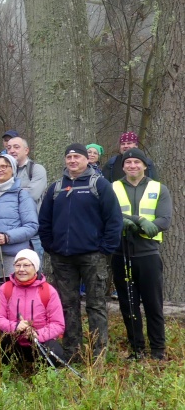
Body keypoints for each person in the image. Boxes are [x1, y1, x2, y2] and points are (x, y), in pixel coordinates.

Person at [39, 143, 123, 362]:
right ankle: (72, 352)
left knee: (96, 305)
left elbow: (114, 220)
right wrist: (50, 245)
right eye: (69, 157)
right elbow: (44, 220)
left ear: (87, 159)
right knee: (67, 306)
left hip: (92, 257)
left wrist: (105, 249)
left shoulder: (100, 185)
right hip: (62, 258)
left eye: (77, 156)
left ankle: (98, 355)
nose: (73, 160)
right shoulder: (56, 187)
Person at [110, 148, 171, 360]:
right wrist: (132, 220)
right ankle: (137, 349)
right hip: (121, 253)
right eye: (128, 162)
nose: (132, 165)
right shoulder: (113, 188)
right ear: (123, 166)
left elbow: (164, 219)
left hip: (148, 254)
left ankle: (157, 350)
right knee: (128, 305)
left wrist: (144, 225)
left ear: (145, 166)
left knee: (154, 304)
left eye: (137, 162)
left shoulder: (158, 188)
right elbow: (108, 215)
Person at [0, 154, 39, 328]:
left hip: (13, 257)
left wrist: (8, 236)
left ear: (13, 170)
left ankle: (17, 333)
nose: (0, 169)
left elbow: (32, 226)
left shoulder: (22, 195)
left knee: (14, 298)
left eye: (5, 166)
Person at [0, 249, 65, 366]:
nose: (21, 269)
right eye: (18, 265)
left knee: (56, 352)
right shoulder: (5, 288)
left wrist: (37, 334)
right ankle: (5, 366)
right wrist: (15, 327)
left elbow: (58, 324)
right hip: (12, 341)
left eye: (26, 265)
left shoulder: (48, 291)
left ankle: (41, 372)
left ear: (35, 267)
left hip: (37, 343)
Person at [5, 136, 48, 210]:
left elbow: (32, 194)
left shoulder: (37, 169)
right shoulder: (1, 169)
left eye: (16, 147)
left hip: (29, 218)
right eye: (9, 148)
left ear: (26, 150)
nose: (12, 151)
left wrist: (4, 191)